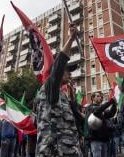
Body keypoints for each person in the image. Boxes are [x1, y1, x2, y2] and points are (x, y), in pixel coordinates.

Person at [35, 24, 82, 156]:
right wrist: (71, 39)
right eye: (68, 71)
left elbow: (75, 117)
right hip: (54, 151)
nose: (70, 74)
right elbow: (59, 64)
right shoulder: (49, 86)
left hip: (69, 149)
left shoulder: (63, 95)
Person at [86, 91, 117, 157]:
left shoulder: (102, 109)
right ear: (93, 98)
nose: (100, 97)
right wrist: (110, 102)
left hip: (104, 139)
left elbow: (111, 114)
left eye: (101, 96)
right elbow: (98, 110)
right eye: (97, 96)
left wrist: (114, 104)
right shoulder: (91, 107)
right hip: (95, 139)